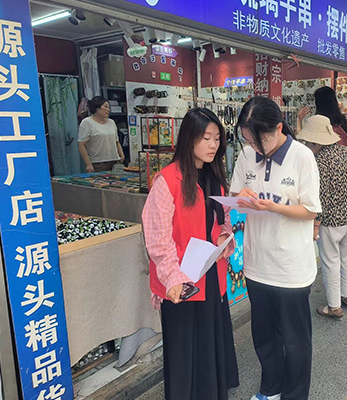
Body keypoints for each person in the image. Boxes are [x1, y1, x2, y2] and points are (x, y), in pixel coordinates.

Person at [141, 108, 239, 400]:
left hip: (210, 274)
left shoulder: (215, 177)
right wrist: (173, 277)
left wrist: (223, 236)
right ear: (189, 138)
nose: (213, 145)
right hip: (182, 281)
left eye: (217, 138)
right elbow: (158, 239)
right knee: (185, 349)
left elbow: (222, 220)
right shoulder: (167, 181)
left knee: (209, 342)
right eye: (206, 138)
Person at [231, 97, 321, 400]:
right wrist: (241, 197)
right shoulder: (246, 154)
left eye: (260, 141)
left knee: (295, 341)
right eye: (248, 140)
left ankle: (294, 395)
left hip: (291, 267)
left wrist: (274, 207)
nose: (255, 147)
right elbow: (234, 194)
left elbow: (310, 210)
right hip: (257, 263)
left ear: (279, 128)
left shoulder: (302, 157)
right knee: (264, 336)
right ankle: (270, 389)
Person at [296, 115, 347, 319]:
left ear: (316, 142)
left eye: (308, 142)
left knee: (330, 262)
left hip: (331, 221)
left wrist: (315, 225)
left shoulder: (318, 162)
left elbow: (321, 197)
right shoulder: (346, 153)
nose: (307, 146)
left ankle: (334, 306)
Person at [78, 96, 125, 172]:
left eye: (108, 107)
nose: (108, 110)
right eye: (105, 107)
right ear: (97, 108)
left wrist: (121, 155)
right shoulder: (87, 122)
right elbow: (81, 145)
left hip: (115, 161)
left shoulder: (111, 122)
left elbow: (116, 141)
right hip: (98, 163)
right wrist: (88, 164)